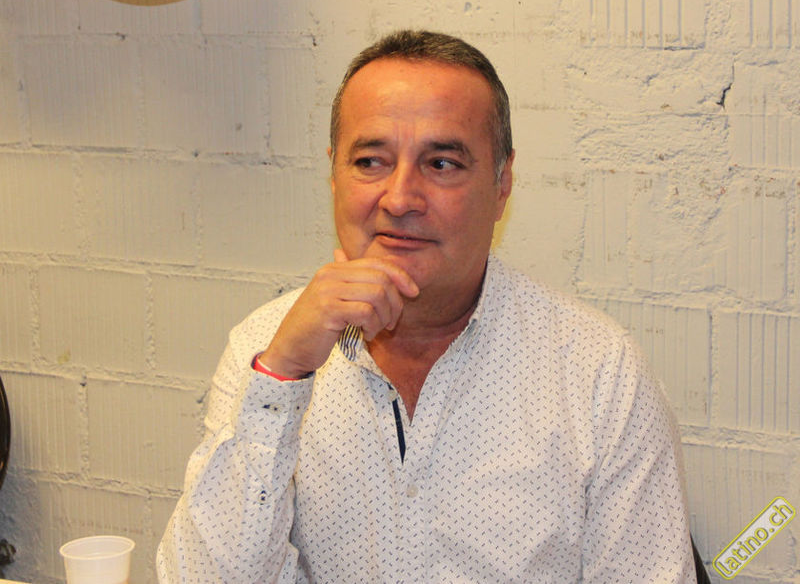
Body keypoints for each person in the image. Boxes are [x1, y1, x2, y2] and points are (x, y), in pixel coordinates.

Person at [157, 30, 696, 583]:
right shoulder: (265, 349)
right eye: (371, 161)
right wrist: (284, 375)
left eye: (441, 164)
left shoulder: (598, 372)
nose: (399, 199)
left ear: (502, 183)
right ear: (334, 174)